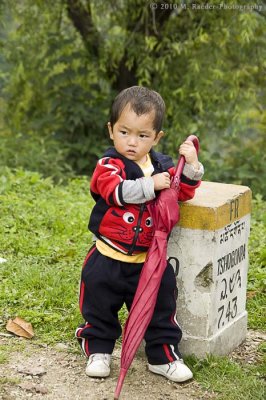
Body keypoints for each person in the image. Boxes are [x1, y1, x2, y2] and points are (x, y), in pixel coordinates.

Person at [76, 86, 204, 383]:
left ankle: (163, 356)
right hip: (107, 257)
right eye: (124, 132)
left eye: (142, 135)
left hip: (149, 261)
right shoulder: (109, 165)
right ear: (111, 131)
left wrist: (193, 166)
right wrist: (152, 185)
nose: (132, 142)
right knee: (99, 307)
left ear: (157, 137)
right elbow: (116, 192)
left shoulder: (163, 167)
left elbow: (181, 192)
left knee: (161, 309)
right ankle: (98, 349)